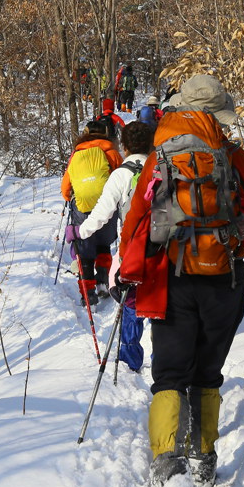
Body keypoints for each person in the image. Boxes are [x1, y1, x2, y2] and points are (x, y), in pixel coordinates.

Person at [118, 74, 244, 487]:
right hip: (224, 280)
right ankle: (204, 459)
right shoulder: (240, 162)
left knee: (169, 373)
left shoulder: (158, 160)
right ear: (218, 115)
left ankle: (168, 465)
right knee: (207, 372)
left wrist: (127, 273)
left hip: (171, 280)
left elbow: (135, 224)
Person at [75, 121, 155, 369]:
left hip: (132, 246)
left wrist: (81, 231)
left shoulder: (121, 174)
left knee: (131, 298)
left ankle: (131, 356)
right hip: (166, 243)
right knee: (161, 297)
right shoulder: (162, 168)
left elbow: (102, 212)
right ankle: (163, 356)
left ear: (125, 146)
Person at [61, 119, 122, 308]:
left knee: (85, 248)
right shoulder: (111, 152)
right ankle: (103, 280)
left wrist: (69, 198)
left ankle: (87, 292)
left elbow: (65, 188)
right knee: (104, 242)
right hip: (107, 204)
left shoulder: (76, 154)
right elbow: (121, 176)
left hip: (81, 206)